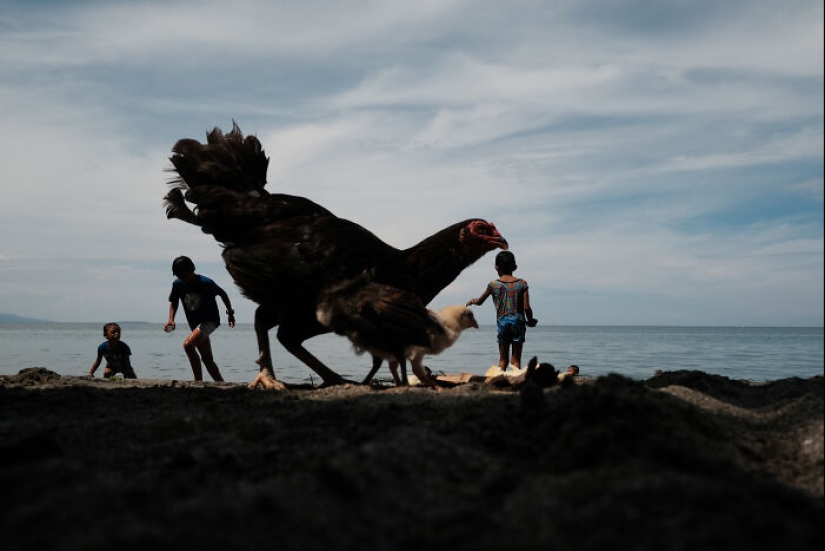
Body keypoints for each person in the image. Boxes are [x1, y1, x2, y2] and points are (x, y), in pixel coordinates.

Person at [164, 256, 235, 381]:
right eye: (179, 276)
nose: (182, 278)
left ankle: (198, 382)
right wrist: (171, 319)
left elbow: (223, 294)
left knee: (188, 345)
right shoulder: (177, 284)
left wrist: (230, 313)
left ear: (192, 270)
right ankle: (221, 383)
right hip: (195, 324)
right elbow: (174, 302)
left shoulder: (206, 283)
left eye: (183, 275)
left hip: (210, 321)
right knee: (207, 359)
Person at [466, 250, 538, 371]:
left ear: (496, 267)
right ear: (515, 267)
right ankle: (515, 384)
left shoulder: (493, 285)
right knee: (515, 359)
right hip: (518, 323)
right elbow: (526, 308)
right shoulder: (522, 284)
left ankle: (500, 382)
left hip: (502, 323)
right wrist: (530, 320)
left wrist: (473, 301)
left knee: (502, 360)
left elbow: (480, 301)